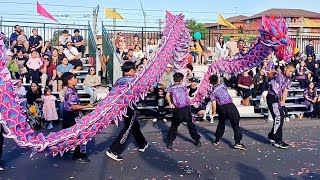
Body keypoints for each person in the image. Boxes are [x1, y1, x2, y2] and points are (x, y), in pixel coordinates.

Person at [106, 61, 148, 161]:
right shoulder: (133, 81)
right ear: (131, 70)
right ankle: (114, 150)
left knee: (135, 126)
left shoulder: (119, 81)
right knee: (128, 128)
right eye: (135, 69)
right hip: (130, 107)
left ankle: (142, 143)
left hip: (121, 107)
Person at [61, 72, 94, 163]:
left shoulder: (73, 90)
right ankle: (78, 156)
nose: (76, 80)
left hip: (70, 115)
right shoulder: (70, 92)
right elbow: (73, 106)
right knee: (79, 135)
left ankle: (63, 150)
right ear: (69, 81)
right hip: (71, 115)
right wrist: (86, 106)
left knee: (67, 134)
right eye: (74, 78)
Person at [209, 74, 246, 150]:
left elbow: (214, 104)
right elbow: (225, 81)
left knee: (221, 123)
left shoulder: (212, 92)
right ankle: (237, 142)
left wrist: (214, 112)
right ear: (218, 80)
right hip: (230, 105)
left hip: (222, 107)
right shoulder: (223, 86)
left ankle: (217, 139)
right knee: (235, 123)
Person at [166, 72, 201, 149]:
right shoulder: (184, 86)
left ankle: (170, 141)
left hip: (177, 109)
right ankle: (197, 140)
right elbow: (191, 86)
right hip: (185, 108)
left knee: (174, 125)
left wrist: (170, 103)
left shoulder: (171, 88)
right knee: (190, 125)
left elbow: (167, 95)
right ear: (181, 80)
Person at [267, 63, 295, 149]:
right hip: (273, 97)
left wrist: (283, 101)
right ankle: (278, 140)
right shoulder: (277, 75)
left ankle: (272, 135)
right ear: (286, 68)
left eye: (292, 72)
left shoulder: (289, 79)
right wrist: (275, 73)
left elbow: (286, 90)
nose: (291, 73)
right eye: (290, 71)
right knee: (279, 117)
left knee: (279, 117)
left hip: (279, 99)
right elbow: (269, 75)